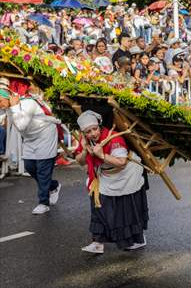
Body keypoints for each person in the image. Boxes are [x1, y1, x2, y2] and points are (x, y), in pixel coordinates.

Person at [74, 110, 149, 254]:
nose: (93, 134)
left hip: (125, 176)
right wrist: (84, 151)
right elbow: (79, 160)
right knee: (98, 206)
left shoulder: (113, 137)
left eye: (94, 129)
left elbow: (121, 162)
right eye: (88, 132)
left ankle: (137, 240)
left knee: (124, 211)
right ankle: (97, 242)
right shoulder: (86, 140)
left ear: (99, 126)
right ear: (83, 133)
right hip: (104, 175)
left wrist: (101, 154)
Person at [1, 88, 61, 214]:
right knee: (30, 167)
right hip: (30, 139)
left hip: (45, 135)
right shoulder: (8, 107)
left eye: (0, 101)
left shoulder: (28, 103)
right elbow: (16, 125)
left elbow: (22, 124)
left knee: (42, 170)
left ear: (8, 97)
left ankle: (43, 203)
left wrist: (15, 106)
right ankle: (53, 186)